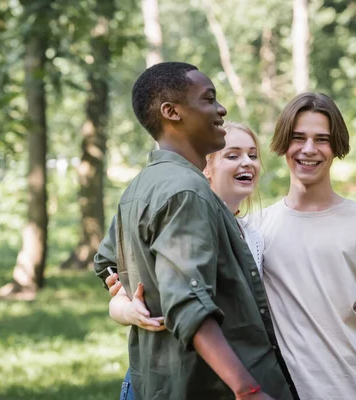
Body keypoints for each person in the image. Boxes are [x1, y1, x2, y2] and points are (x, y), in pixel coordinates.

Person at [93, 62, 296, 400]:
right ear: (172, 112)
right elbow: (188, 302)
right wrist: (248, 389)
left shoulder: (139, 187)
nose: (221, 109)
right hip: (206, 387)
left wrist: (127, 286)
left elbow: (106, 263)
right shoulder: (186, 192)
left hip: (156, 382)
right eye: (208, 99)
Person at [251, 92, 356, 399]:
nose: (308, 149)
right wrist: (126, 306)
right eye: (298, 137)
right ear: (283, 143)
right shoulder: (255, 229)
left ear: (335, 147)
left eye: (321, 139)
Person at [107, 122, 268, 400]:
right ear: (206, 168)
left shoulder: (255, 234)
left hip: (228, 377)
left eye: (253, 155)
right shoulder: (181, 220)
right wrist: (131, 311)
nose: (247, 163)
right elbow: (120, 297)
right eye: (233, 155)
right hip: (170, 381)